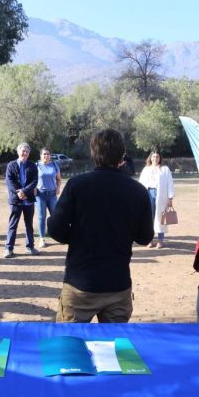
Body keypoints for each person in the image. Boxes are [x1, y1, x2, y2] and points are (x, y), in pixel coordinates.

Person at [48, 129, 153, 323]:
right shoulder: (138, 191)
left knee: (69, 348)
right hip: (117, 284)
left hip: (80, 285)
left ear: (93, 153)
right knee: (114, 349)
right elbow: (145, 237)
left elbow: (55, 228)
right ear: (122, 155)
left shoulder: (77, 185)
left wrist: (76, 236)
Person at [4, 142, 39, 258]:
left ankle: (30, 247)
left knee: (29, 224)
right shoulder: (11, 165)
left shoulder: (33, 165)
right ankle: (9, 249)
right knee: (13, 224)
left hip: (28, 199)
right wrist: (18, 192)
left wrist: (24, 191)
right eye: (23, 151)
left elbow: (35, 181)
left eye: (27, 151)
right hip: (16, 200)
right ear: (18, 152)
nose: (25, 153)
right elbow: (9, 182)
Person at [139, 150, 175, 248]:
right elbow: (141, 184)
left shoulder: (165, 169)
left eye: (157, 157)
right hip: (148, 194)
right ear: (150, 158)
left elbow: (170, 183)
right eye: (153, 157)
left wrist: (170, 198)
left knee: (160, 218)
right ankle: (149, 240)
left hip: (161, 196)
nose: (155, 158)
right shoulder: (146, 169)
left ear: (160, 158)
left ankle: (160, 241)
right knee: (149, 218)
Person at [35, 148, 61, 248]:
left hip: (52, 195)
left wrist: (58, 188)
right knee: (42, 217)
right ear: (41, 156)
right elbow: (32, 179)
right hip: (40, 195)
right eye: (44, 154)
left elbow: (58, 179)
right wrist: (34, 188)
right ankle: (42, 238)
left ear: (50, 155)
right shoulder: (36, 166)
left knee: (55, 216)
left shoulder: (54, 165)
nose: (46, 156)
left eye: (48, 154)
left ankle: (57, 236)